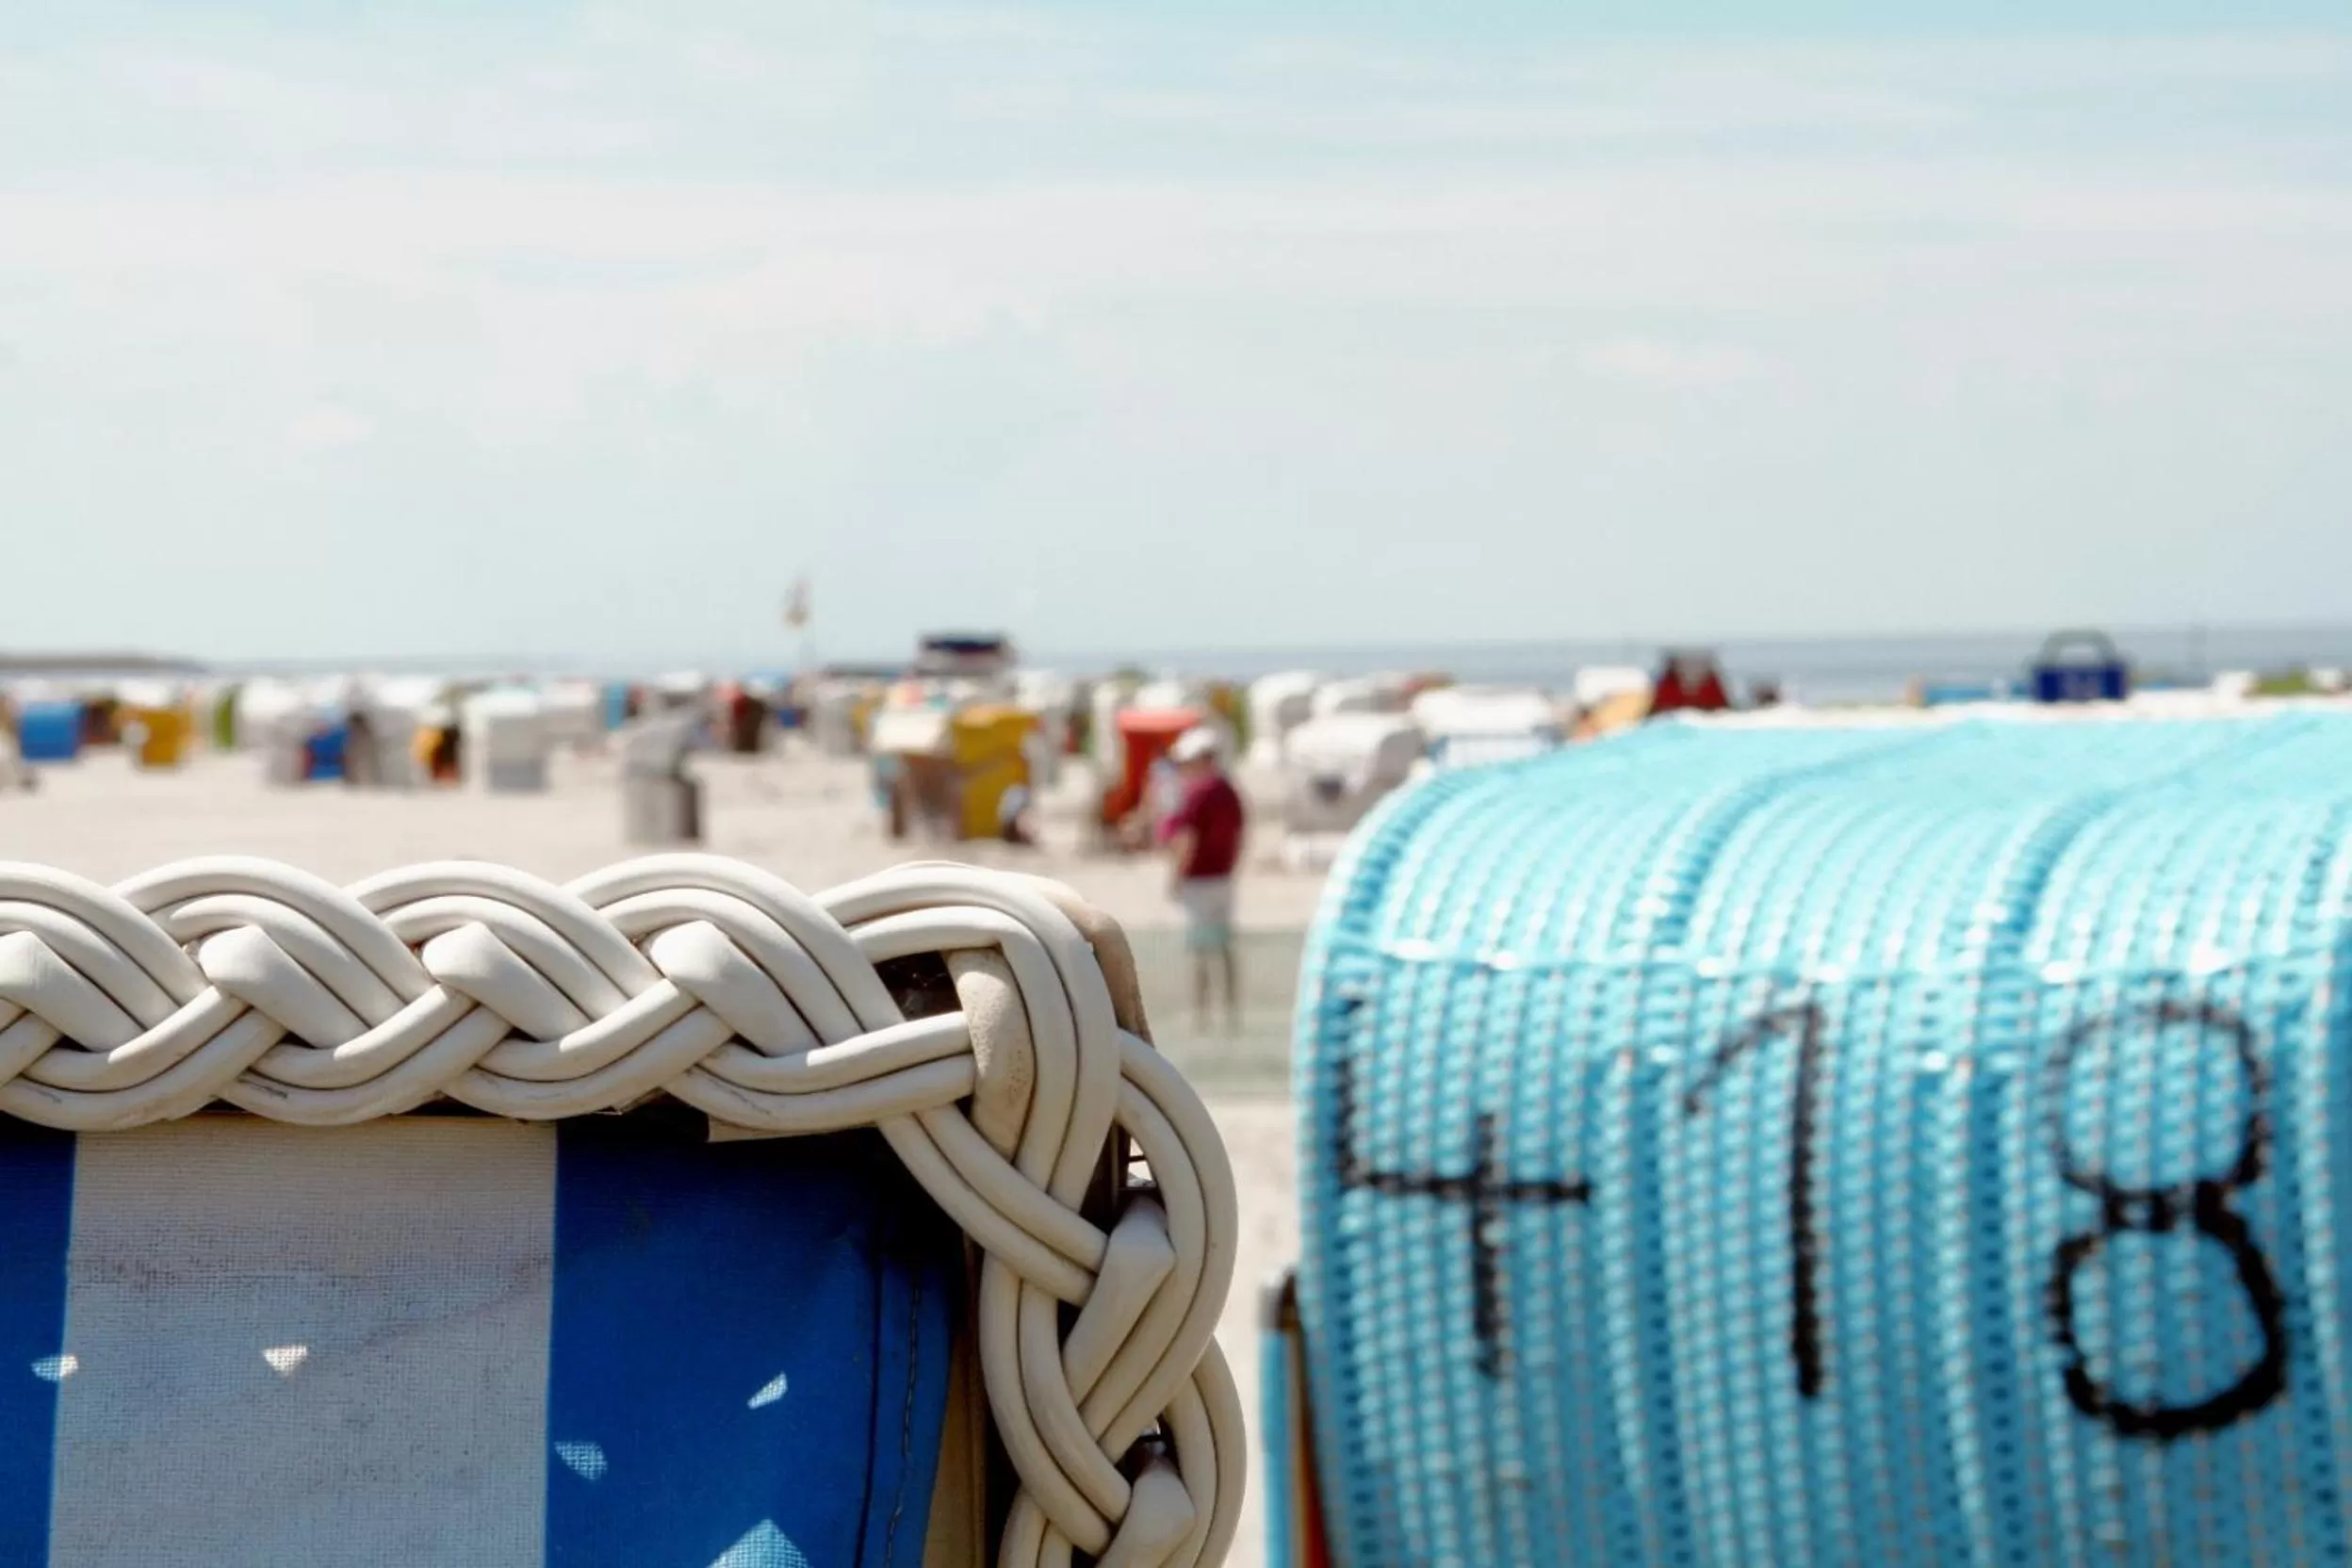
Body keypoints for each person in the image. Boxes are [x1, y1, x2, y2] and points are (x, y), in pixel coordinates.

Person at [1157, 727, 1245, 1034]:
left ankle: (1200, 1013)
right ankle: (1230, 1010)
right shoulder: (1230, 792)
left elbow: (1186, 840)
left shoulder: (1199, 794)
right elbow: (1241, 836)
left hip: (1199, 881)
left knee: (1198, 950)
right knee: (1223, 946)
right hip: (1223, 878)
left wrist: (1174, 877)